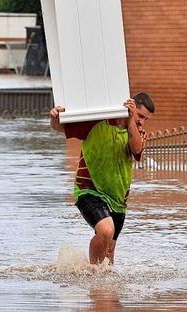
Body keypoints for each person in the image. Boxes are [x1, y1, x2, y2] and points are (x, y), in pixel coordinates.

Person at [49, 93, 155, 265]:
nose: (143, 122)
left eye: (146, 119)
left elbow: (136, 150)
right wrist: (54, 117)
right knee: (106, 231)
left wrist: (130, 122)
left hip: (118, 199)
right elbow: (60, 127)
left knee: (110, 255)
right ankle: (93, 273)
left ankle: (100, 287)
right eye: (140, 116)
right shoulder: (97, 120)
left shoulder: (138, 133)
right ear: (131, 107)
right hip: (88, 190)